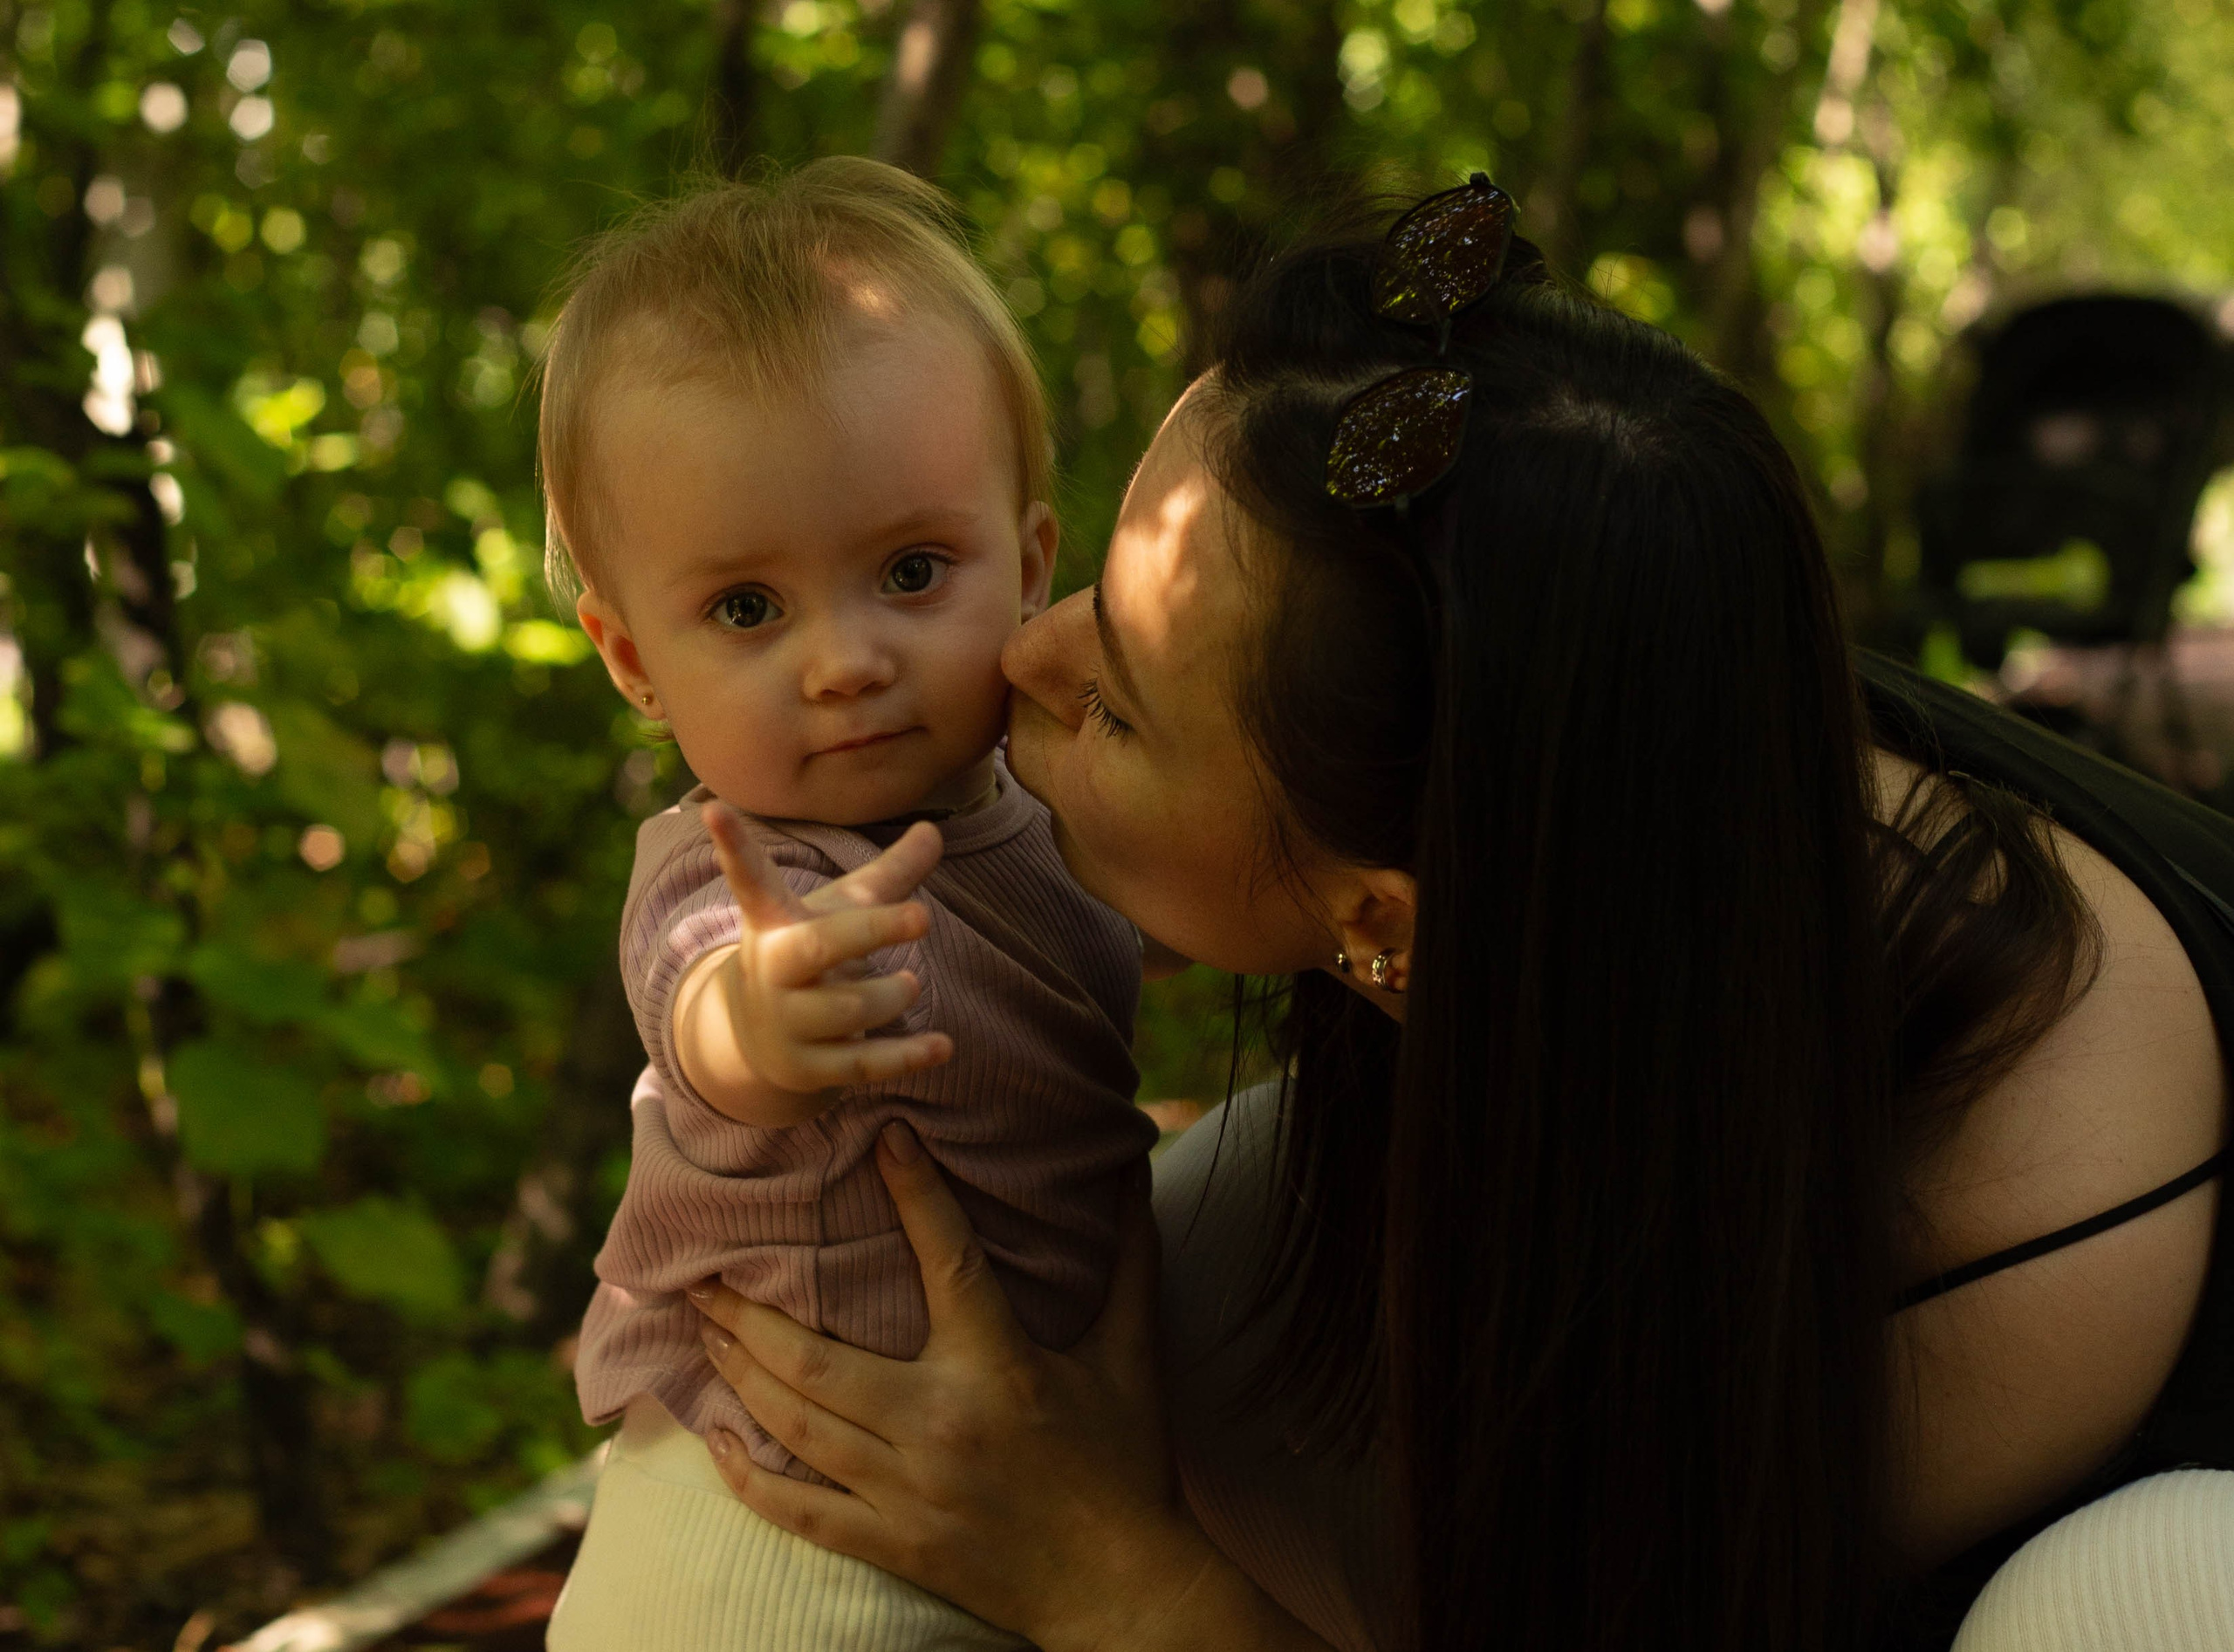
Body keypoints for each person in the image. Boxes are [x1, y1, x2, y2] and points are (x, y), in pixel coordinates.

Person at [681, 178, 2234, 1652]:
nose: (1025, 656)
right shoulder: (1592, 728)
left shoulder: (2002, 1287)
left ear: (1389, 925)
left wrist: (1118, 1581)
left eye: (1119, 712)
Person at [536, 159, 1162, 1649]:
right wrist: (768, 1016)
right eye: (747, 608)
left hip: (1000, 1485)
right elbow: (702, 1005)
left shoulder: (1044, 811)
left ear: (1031, 563)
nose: (844, 661)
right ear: (633, 660)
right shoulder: (737, 866)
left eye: (911, 570)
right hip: (761, 1544)